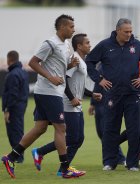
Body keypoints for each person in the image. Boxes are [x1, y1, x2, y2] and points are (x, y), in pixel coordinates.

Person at [1, 14, 80, 179]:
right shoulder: (50, 43)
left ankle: (11, 158)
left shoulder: (65, 45)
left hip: (50, 91)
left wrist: (70, 65)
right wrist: (50, 77)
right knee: (61, 128)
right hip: (49, 91)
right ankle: (65, 169)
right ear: (62, 27)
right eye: (71, 27)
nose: (74, 30)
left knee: (40, 128)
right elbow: (32, 62)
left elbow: (58, 67)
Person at [86, 18, 140, 171]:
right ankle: (109, 162)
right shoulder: (105, 45)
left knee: (134, 130)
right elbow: (89, 61)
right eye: (126, 31)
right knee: (110, 129)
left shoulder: (137, 46)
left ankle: (132, 164)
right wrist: (99, 79)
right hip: (112, 94)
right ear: (118, 31)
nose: (129, 34)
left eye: (131, 31)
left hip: (132, 95)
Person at [31, 33, 102, 176]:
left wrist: (91, 94)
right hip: (67, 104)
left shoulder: (81, 61)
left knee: (78, 139)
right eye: (87, 43)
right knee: (71, 138)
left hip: (75, 104)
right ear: (79, 46)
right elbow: (64, 80)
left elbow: (78, 85)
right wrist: (71, 98)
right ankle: (54, 163)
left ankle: (56, 164)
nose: (90, 45)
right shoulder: (73, 59)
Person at [2, 50, 29, 163]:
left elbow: (12, 94)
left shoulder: (12, 74)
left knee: (14, 132)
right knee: (18, 130)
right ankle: (16, 155)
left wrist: (7, 109)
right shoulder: (23, 73)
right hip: (21, 106)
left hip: (14, 108)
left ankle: (17, 156)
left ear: (9, 59)